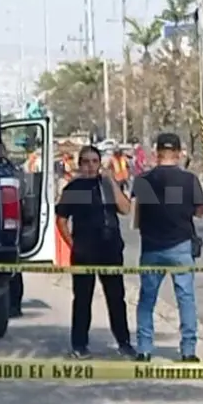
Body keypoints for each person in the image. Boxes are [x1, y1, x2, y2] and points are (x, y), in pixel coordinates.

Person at [55, 145, 136, 359]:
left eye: (94, 161)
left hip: (110, 249)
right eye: (86, 162)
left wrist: (111, 182)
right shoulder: (73, 189)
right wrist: (73, 244)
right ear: (79, 165)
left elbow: (126, 209)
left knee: (116, 298)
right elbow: (61, 220)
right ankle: (79, 344)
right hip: (84, 251)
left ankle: (124, 343)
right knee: (83, 299)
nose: (90, 166)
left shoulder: (107, 185)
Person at [131, 132, 203, 363]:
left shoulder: (143, 181)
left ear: (156, 153)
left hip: (152, 247)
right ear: (179, 153)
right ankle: (188, 351)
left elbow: (137, 214)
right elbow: (199, 211)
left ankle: (144, 349)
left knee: (147, 300)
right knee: (186, 299)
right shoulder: (189, 180)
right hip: (181, 246)